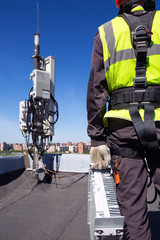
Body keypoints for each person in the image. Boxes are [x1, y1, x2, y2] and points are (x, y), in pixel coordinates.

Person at [87, 0, 160, 239]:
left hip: (124, 128)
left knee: (133, 213)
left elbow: (97, 91)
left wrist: (97, 140)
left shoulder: (105, 32)